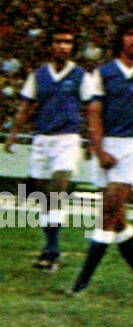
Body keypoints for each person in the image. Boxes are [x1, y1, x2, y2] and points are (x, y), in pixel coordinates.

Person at [69, 18, 133, 302]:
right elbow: (94, 115)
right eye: (130, 35)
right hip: (108, 144)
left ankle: (81, 283)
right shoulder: (102, 74)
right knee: (117, 216)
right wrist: (99, 150)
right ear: (121, 39)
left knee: (107, 212)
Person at [5, 26, 86, 271]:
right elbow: (26, 106)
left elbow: (93, 108)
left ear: (73, 47)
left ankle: (52, 251)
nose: (63, 46)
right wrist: (13, 134)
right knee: (44, 198)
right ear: (50, 46)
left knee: (57, 190)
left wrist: (94, 139)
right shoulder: (38, 75)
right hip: (42, 139)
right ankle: (50, 247)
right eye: (59, 41)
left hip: (68, 138)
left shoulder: (82, 76)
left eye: (68, 41)